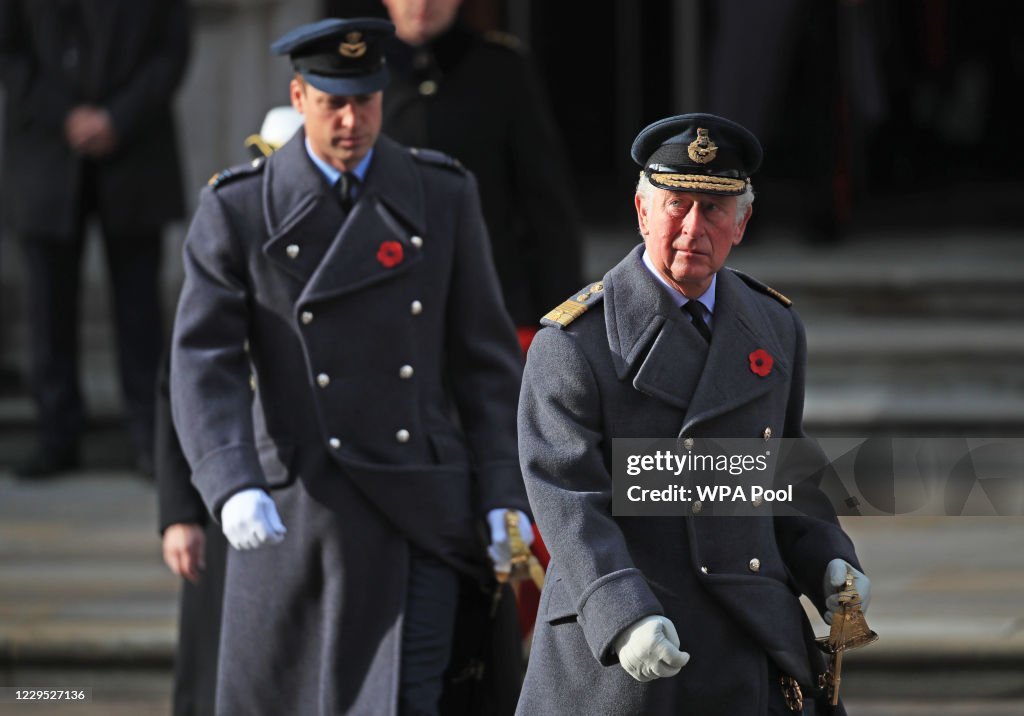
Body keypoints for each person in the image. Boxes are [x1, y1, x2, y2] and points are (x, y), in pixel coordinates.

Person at [169, 18, 531, 716]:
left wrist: (501, 491)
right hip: (295, 507)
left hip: (416, 507)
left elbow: (484, 365)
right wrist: (229, 479)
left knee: (404, 698)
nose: (351, 119)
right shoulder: (239, 208)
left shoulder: (441, 194)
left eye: (365, 100)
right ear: (298, 96)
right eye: (333, 101)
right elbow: (201, 359)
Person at [515, 113, 871, 715]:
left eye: (714, 209)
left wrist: (828, 556)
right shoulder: (575, 343)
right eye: (676, 204)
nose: (692, 228)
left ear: (743, 222)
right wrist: (623, 614)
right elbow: (569, 502)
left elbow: (783, 473)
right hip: (635, 646)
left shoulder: (774, 325)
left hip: (750, 636)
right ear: (641, 210)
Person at [157, 105, 305, 716]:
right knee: (217, 664)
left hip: (311, 493)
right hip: (232, 491)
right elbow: (182, 389)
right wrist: (179, 513)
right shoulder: (226, 250)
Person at [0, 0, 190, 476]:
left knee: (139, 308)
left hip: (134, 150)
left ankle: (151, 438)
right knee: (48, 306)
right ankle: (56, 433)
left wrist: (116, 118)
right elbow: (10, 51)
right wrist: (65, 116)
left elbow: (171, 51)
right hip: (45, 154)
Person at [376, 0, 584, 349]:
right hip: (386, 302)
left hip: (491, 301)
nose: (423, 4)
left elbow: (545, 201)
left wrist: (559, 315)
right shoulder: (364, 75)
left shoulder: (501, 68)